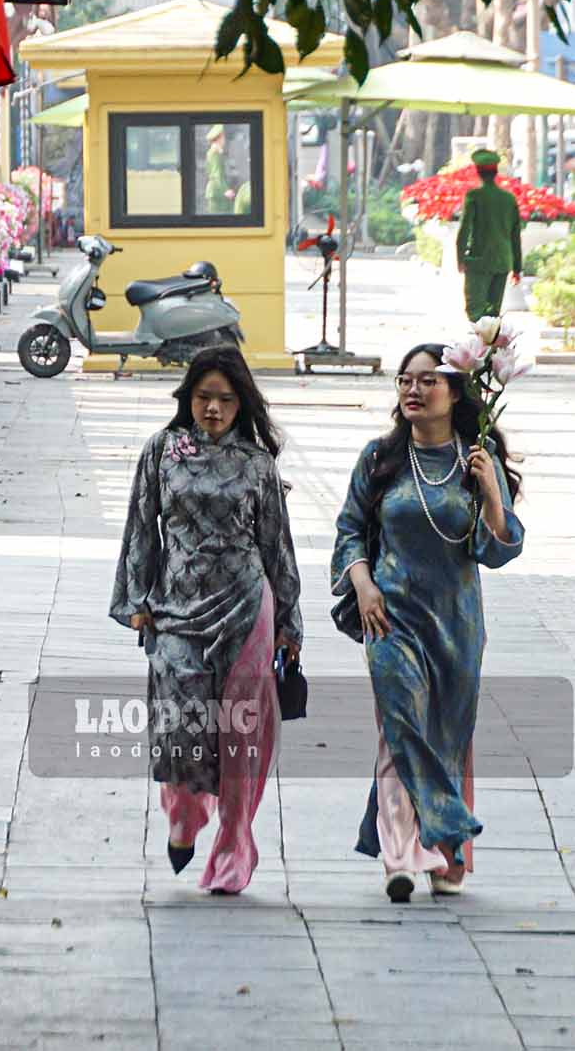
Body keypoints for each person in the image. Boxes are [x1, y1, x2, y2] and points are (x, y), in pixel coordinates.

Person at [331, 343, 524, 903]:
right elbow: (349, 530)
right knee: (400, 727)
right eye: (404, 380)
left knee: (446, 737)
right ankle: (400, 856)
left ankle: (446, 851)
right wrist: (363, 584)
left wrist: (492, 494)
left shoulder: (476, 460)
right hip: (389, 615)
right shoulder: (379, 458)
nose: (412, 390)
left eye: (427, 381)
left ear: (456, 392)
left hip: (456, 624)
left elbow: (498, 550)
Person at [110, 345, 302, 894]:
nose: (213, 408)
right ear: (187, 398)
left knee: (240, 737)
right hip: (175, 609)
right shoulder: (162, 451)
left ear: (242, 404)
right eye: (203, 397)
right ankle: (185, 814)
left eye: (225, 399)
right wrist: (136, 600)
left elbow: (277, 545)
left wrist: (289, 622)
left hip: (246, 609)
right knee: (179, 726)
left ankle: (233, 850)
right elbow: (141, 526)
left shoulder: (258, 465)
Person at [457, 148, 522, 321]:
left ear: (478, 172)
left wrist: (460, 259)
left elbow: (464, 230)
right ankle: (490, 339)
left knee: (475, 310)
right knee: (493, 312)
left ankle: (481, 338)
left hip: (479, 261)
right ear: (496, 172)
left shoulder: (474, 196)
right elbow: (515, 235)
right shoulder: (509, 199)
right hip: (502, 261)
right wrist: (517, 268)